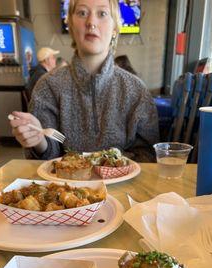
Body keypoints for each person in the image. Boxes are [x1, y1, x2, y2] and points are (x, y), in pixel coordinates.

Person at [10, 0, 159, 162]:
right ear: (71, 25)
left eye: (102, 14)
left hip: (124, 185)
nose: (91, 22)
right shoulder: (48, 86)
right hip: (64, 185)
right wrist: (38, 141)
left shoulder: (136, 90)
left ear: (115, 28)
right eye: (82, 13)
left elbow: (148, 154)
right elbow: (45, 158)